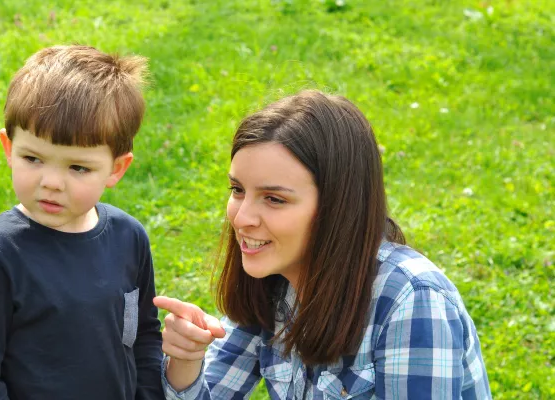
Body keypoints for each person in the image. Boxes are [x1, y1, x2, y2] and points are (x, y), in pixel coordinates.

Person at [154, 90, 491, 399]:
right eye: (238, 190)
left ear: (338, 206)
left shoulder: (412, 301)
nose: (241, 217)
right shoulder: (272, 277)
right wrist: (186, 360)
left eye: (274, 199)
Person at [0, 45, 164, 400]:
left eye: (78, 167)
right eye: (33, 158)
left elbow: (142, 335)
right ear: (8, 148)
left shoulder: (129, 238)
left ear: (116, 169)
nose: (51, 182)